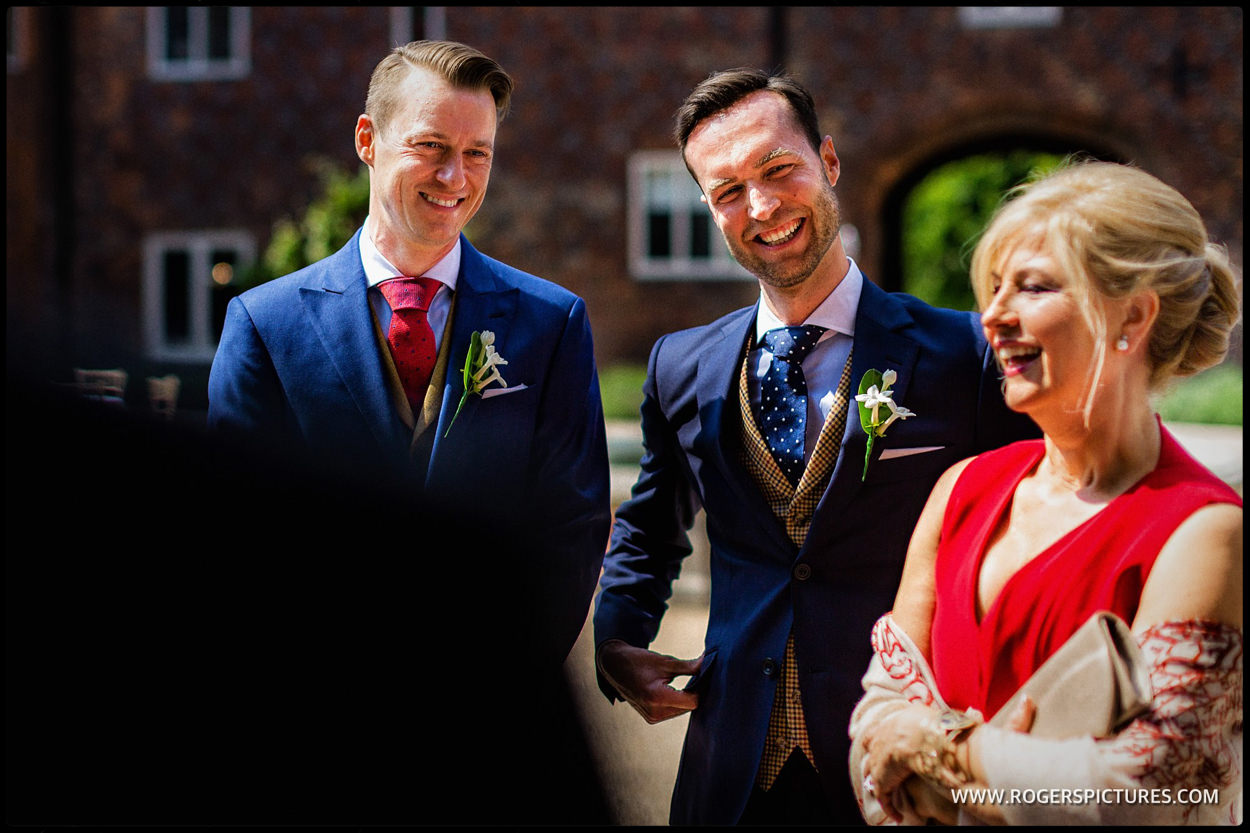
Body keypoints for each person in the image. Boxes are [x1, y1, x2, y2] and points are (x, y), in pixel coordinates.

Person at [592, 68, 1039, 825]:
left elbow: (1028, 533)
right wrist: (617, 632)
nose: (761, 206)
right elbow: (649, 523)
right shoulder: (681, 365)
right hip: (732, 772)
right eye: (728, 190)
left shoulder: (962, 355)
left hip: (901, 765)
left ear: (828, 164)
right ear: (708, 207)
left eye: (778, 169)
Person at [849, 160, 1243, 825]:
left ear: (1133, 316)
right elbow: (876, 724)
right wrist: (1008, 777)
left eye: (1032, 288)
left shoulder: (1204, 531)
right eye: (994, 288)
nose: (992, 316)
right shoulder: (962, 490)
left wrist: (947, 750)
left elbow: (1149, 791)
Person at [207, 40, 610, 663]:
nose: (456, 177)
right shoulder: (265, 325)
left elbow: (570, 527)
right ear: (368, 140)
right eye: (431, 147)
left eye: (478, 153)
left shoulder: (552, 323)